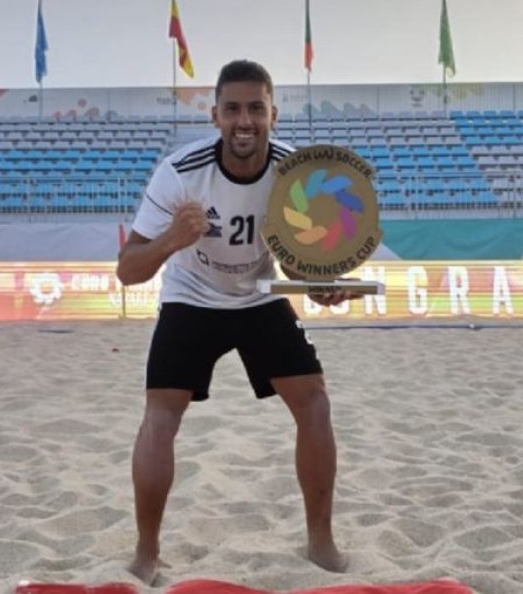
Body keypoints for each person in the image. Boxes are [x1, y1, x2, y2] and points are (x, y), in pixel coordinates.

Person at [116, 59, 353, 585]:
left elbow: (300, 264)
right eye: (232, 110)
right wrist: (171, 241)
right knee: (161, 415)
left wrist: (324, 286)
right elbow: (128, 271)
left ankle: (320, 542)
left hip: (258, 296)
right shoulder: (180, 171)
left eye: (255, 109)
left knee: (313, 400)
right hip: (191, 297)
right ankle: (146, 552)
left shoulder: (297, 173)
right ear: (215, 115)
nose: (243, 120)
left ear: (274, 114)